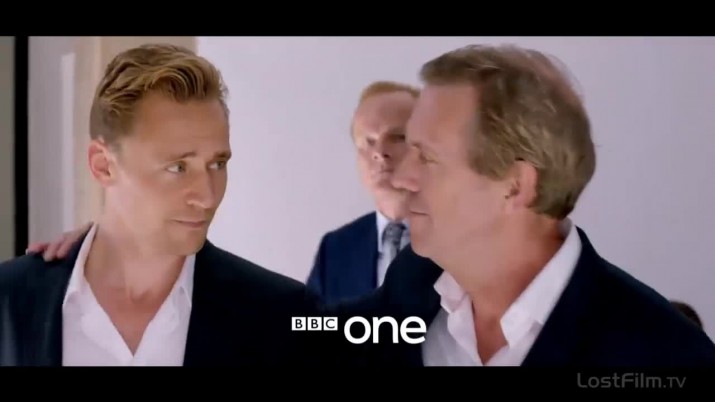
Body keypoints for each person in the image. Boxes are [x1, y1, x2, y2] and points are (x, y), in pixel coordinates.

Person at [368, 43, 715, 366]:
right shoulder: (410, 286)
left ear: (516, 186)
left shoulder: (666, 355)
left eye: (427, 157)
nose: (400, 178)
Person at [0, 44, 344, 366]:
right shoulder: (10, 301)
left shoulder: (280, 314)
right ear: (103, 165)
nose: (207, 196)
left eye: (217, 164)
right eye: (178, 167)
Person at [306, 81, 417, 304]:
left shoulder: (466, 240)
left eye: (398, 137)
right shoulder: (335, 249)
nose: (379, 152)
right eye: (369, 142)